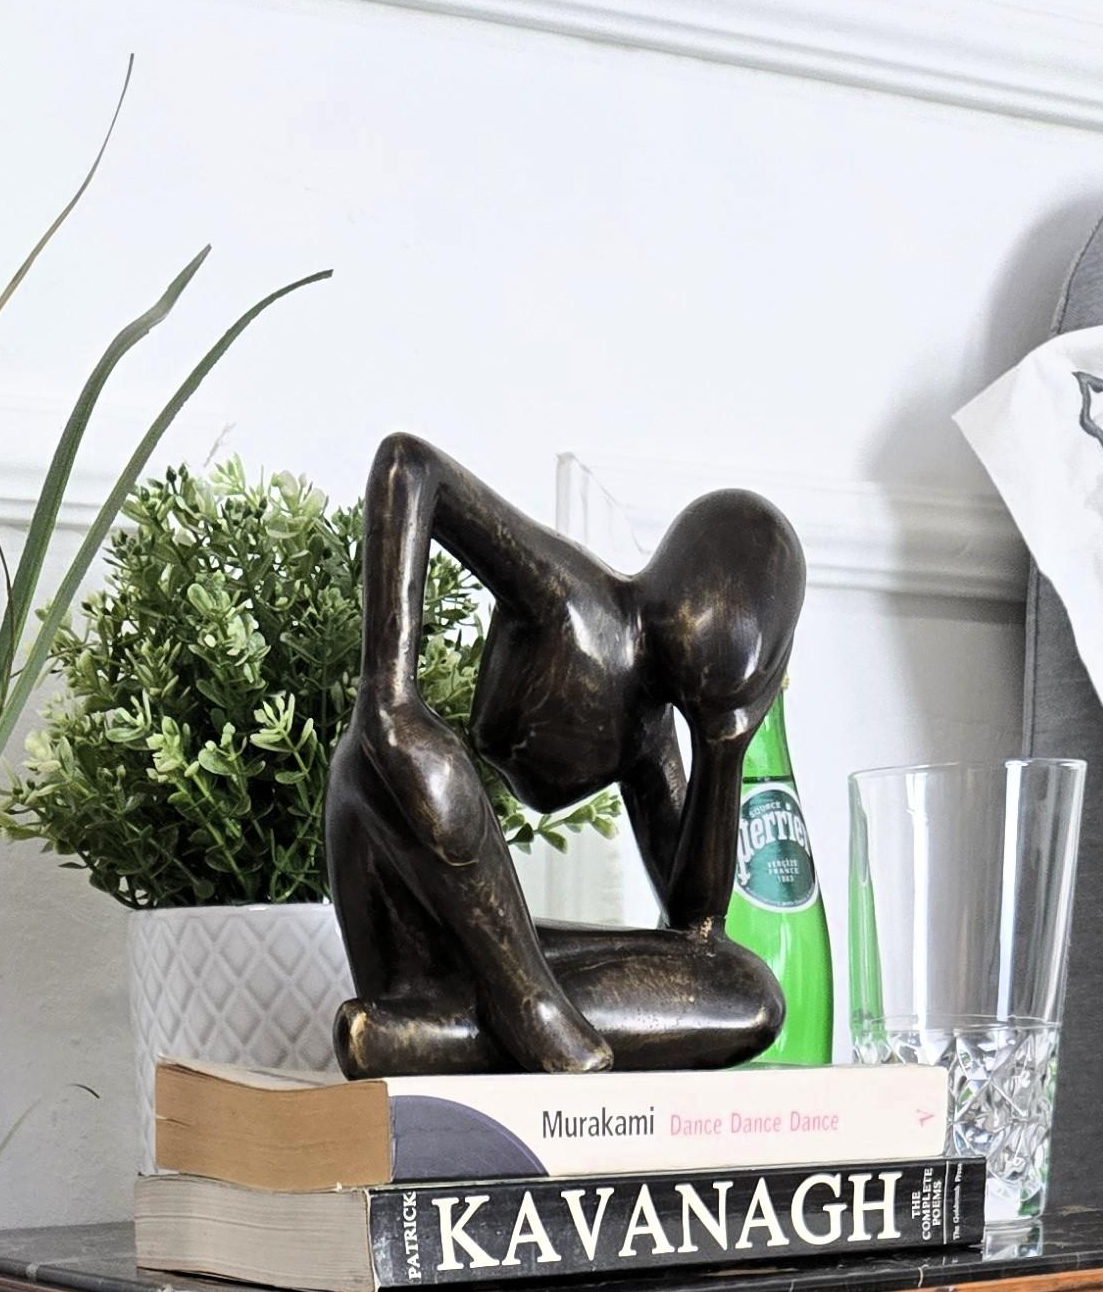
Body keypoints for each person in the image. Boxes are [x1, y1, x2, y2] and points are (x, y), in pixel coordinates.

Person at [325, 433, 804, 1080]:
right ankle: (526, 1005)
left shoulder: (650, 733)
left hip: (478, 954)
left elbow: (697, 928)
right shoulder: (576, 601)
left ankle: (431, 1034)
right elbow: (410, 463)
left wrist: (725, 740)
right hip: (387, 838)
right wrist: (389, 689)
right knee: (426, 762)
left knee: (748, 991)